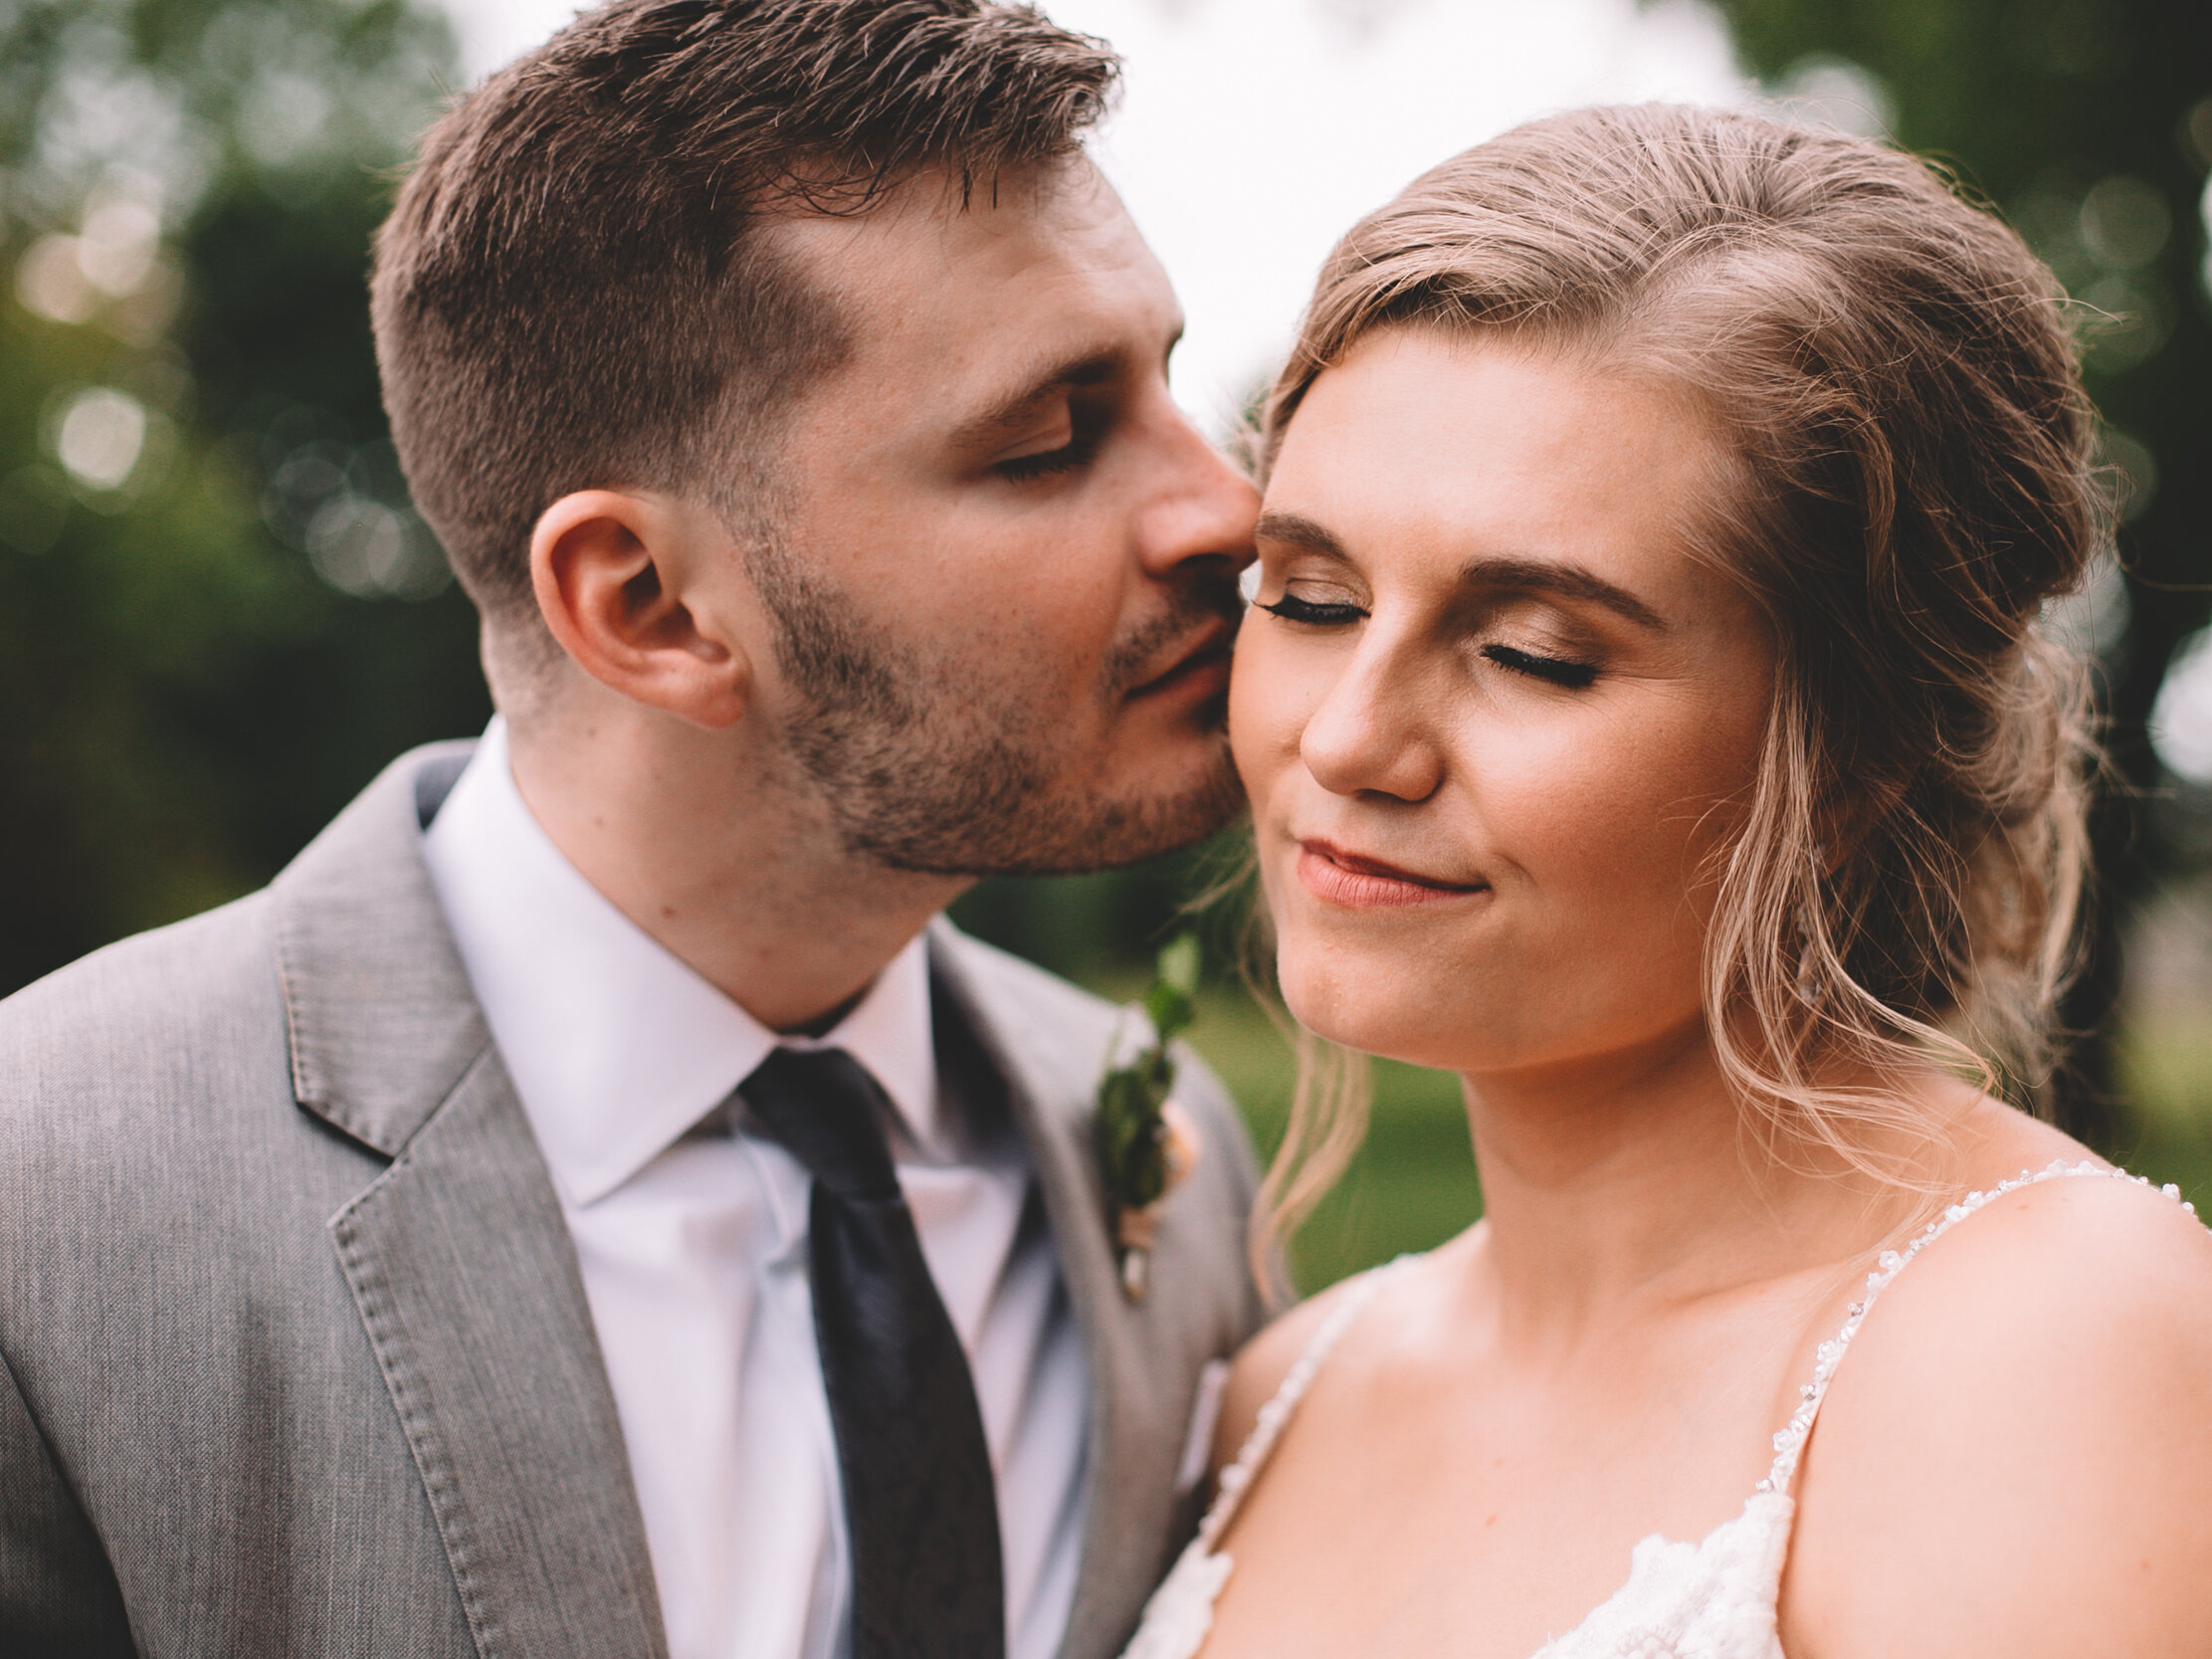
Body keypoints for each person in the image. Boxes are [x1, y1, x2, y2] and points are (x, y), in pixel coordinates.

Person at [0, 4, 1276, 1658]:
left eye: (1170, 381)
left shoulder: (1171, 1147)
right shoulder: (50, 1206)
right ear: (651, 606)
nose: (1228, 510)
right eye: (1049, 440)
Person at [1122, 104, 2212, 1659]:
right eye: (1311, 596)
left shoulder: (2053, 1361)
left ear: (1859, 746)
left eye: (1534, 653)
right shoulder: (1284, 1391)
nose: (1347, 739)